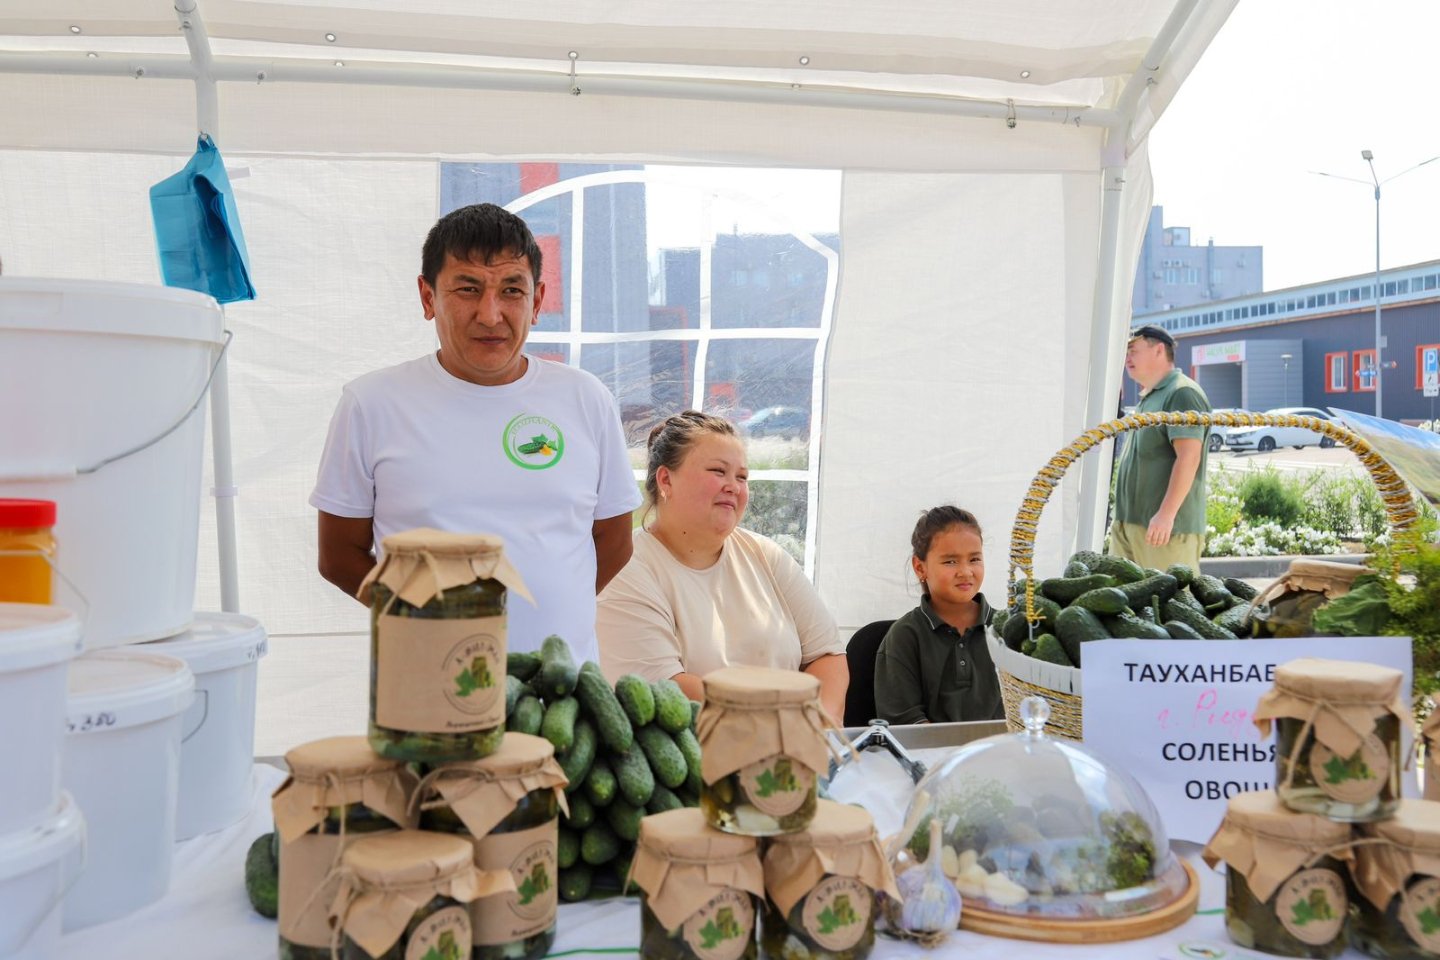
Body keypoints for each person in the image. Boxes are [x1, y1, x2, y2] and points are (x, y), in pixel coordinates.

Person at [310, 203, 640, 665]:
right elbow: (339, 556)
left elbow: (615, 540)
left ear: (538, 301)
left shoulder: (586, 399)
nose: (490, 314)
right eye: (467, 289)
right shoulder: (372, 403)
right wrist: (432, 625)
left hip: (561, 696)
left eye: (511, 290)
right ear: (428, 298)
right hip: (426, 686)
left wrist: (551, 618)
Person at [595, 411, 848, 722]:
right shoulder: (628, 567)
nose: (733, 486)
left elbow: (827, 654)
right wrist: (783, 728)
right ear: (665, 479)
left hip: (789, 757)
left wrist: (816, 727)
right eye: (718, 471)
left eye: (742, 477)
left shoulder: (766, 555)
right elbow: (668, 689)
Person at [872, 506, 1001, 725]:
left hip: (1003, 755)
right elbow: (907, 724)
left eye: (974, 559)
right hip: (931, 757)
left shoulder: (1006, 630)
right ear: (920, 567)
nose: (966, 571)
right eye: (950, 561)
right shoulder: (904, 636)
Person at [1110, 324, 1211, 571]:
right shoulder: (1149, 397)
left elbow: (1189, 457)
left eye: (1133, 350)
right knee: (1126, 609)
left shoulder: (1182, 393)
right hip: (1132, 526)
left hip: (1165, 531)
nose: (1127, 358)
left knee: (1171, 607)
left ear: (1158, 350)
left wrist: (1166, 515)